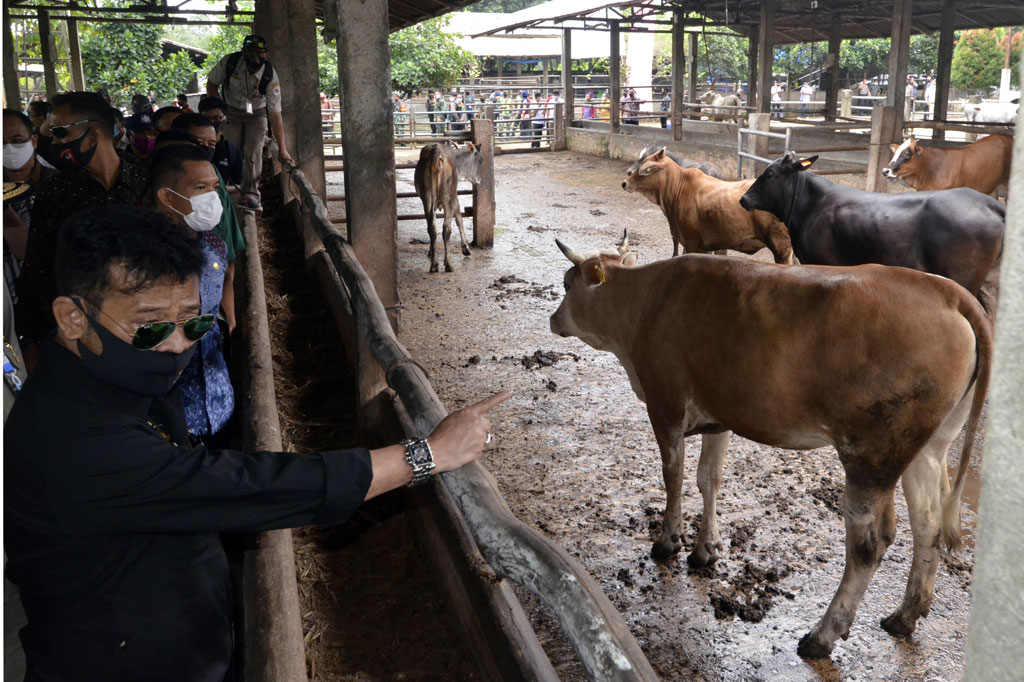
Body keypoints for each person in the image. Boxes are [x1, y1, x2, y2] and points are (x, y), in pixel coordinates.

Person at [4, 203, 511, 681]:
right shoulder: (72, 442)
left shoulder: (116, 380)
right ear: (73, 317)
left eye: (192, 321)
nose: (178, 345)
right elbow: (240, 487)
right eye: (150, 325)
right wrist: (428, 455)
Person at [17, 92, 148, 360]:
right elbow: (38, 269)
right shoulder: (56, 192)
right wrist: (31, 342)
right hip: (82, 337)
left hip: (147, 328)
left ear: (92, 134)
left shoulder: (148, 179)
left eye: (61, 133)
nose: (53, 143)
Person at [148, 146, 234, 439]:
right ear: (167, 197)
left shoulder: (214, 244)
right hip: (164, 412)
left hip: (218, 398)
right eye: (200, 188)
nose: (212, 197)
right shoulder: (140, 256)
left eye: (214, 188)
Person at [168, 113, 245, 331]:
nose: (205, 149)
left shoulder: (215, 176)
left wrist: (230, 319)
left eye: (211, 144)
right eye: (198, 143)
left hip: (209, 321)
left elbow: (227, 255)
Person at [206, 34, 294, 212]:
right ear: (244, 55)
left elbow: (275, 115)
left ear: (265, 56)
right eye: (251, 55)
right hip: (231, 111)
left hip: (257, 113)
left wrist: (283, 150)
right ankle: (226, 190)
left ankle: (251, 195)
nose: (255, 60)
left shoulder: (270, 76)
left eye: (259, 55)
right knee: (230, 151)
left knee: (254, 152)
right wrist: (219, 109)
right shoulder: (229, 63)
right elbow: (212, 84)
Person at [196, 96, 243, 191]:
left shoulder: (230, 150)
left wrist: (218, 190)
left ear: (225, 119)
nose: (212, 122)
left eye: (217, 118)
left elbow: (238, 185)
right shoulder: (192, 146)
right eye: (207, 118)